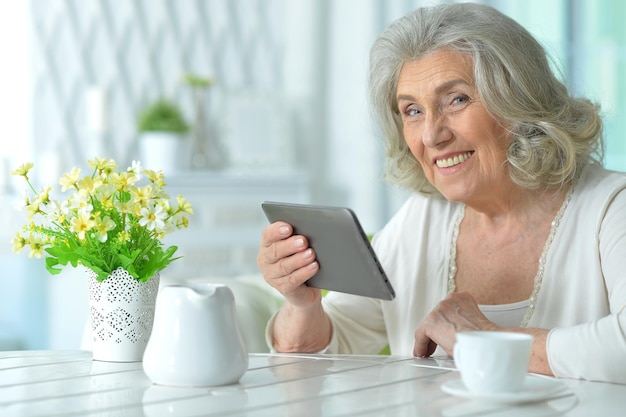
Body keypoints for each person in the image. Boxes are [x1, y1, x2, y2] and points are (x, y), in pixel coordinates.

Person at [257, 2, 626, 383]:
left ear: (520, 102)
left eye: (457, 100)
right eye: (413, 110)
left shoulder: (611, 207)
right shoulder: (422, 219)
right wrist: (301, 305)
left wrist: (487, 340)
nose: (432, 135)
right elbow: (319, 356)